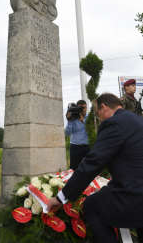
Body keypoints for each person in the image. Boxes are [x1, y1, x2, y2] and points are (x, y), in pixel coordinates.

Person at [47, 93, 143, 243]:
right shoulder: (137, 120)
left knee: (91, 205)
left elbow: (92, 164)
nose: (100, 120)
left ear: (104, 107)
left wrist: (61, 197)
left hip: (134, 196)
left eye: (98, 115)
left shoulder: (114, 123)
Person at [65, 100, 90, 170]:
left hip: (87, 147)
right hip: (75, 147)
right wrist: (69, 121)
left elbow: (91, 130)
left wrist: (83, 121)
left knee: (88, 168)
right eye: (81, 108)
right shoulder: (73, 118)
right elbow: (67, 133)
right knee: (74, 169)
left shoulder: (89, 117)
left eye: (85, 107)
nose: (83, 110)